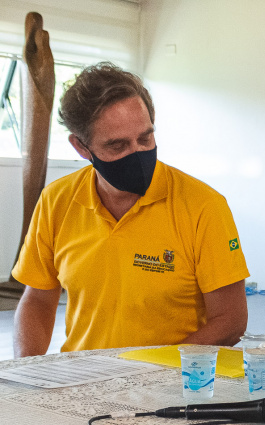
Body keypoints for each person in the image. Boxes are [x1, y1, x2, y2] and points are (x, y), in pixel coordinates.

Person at [13, 62, 249, 356]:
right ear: (81, 147)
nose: (137, 154)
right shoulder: (57, 201)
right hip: (83, 377)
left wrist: (154, 368)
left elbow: (230, 321)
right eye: (118, 145)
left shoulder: (203, 205)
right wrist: (26, 371)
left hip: (170, 379)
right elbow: (37, 299)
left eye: (145, 138)